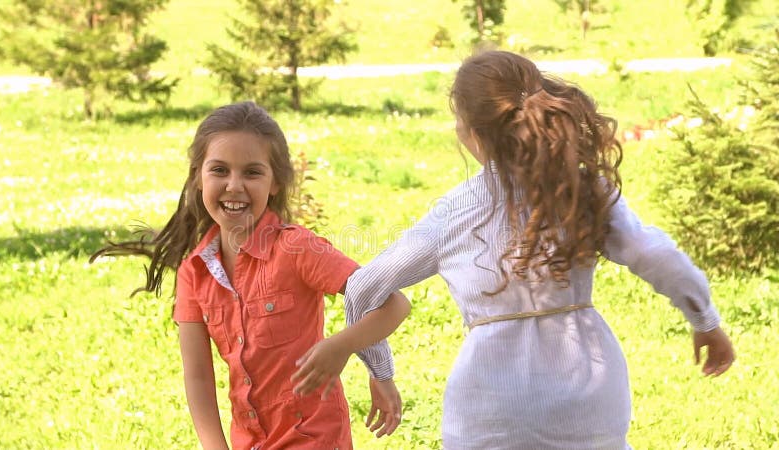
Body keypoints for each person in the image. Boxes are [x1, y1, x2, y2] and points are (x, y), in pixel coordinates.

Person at [291, 51, 735, 449]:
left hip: (489, 408)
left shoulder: (454, 212)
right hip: (587, 397)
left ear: (470, 134)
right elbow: (654, 254)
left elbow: (364, 288)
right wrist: (704, 320)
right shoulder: (580, 190)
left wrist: (380, 372)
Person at [92, 101, 409, 450]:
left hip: (313, 438)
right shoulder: (194, 274)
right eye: (220, 171)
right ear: (198, 176)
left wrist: (340, 348)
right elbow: (198, 375)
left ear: (276, 183)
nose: (234, 185)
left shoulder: (296, 248)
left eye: (252, 173)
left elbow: (393, 303)